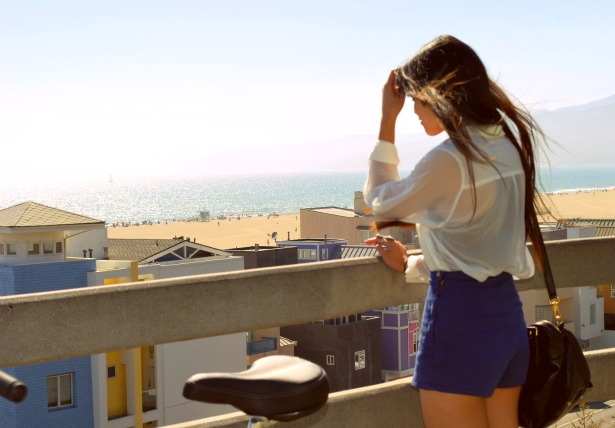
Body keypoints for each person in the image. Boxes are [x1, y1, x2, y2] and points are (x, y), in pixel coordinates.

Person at [363, 35, 548, 428]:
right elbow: (478, 247)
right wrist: (411, 265)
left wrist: (386, 120)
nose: (414, 109)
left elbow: (381, 202)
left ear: (440, 93)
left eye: (416, 99)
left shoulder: (451, 158)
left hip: (461, 322)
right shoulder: (507, 148)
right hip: (505, 318)